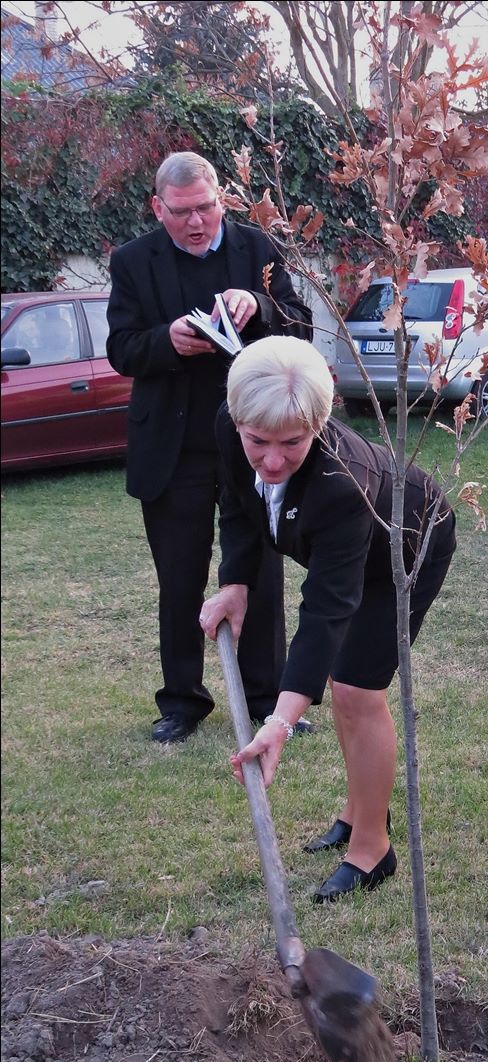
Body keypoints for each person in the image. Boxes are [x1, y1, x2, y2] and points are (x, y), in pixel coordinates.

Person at [199, 337, 457, 902]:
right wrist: (235, 582)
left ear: (318, 424)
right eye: (257, 441)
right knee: (345, 685)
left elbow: (325, 610)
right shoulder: (231, 422)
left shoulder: (343, 483)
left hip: (405, 549)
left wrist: (281, 721)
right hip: (352, 555)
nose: (271, 460)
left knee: (358, 690)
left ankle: (372, 848)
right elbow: (237, 501)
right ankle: (359, 809)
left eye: (292, 443)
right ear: (238, 420)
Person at [106, 151, 313, 744]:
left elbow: (301, 323)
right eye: (181, 212)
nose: (196, 222)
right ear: (158, 208)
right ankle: (182, 703)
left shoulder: (257, 248)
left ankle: (267, 699)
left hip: (253, 443)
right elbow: (122, 349)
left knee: (260, 571)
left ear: (221, 199)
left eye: (206, 207)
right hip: (174, 449)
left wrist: (261, 307)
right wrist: (166, 341)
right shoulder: (132, 261)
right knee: (180, 577)